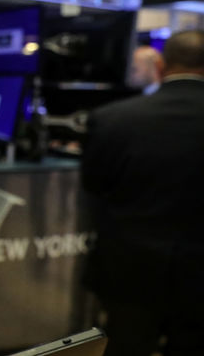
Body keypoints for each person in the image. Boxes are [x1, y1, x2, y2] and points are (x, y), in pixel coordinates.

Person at [82, 29, 204, 356]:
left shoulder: (113, 119)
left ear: (161, 65)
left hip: (130, 267)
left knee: (127, 344)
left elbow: (94, 186)